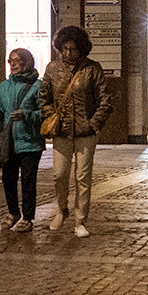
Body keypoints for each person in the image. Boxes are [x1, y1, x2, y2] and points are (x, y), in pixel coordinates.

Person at [39, 24, 112, 237]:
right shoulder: (52, 69)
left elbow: (105, 100)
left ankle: (81, 221)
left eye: (72, 49)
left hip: (85, 133)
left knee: (83, 177)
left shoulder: (92, 69)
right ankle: (62, 210)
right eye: (64, 49)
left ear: (81, 49)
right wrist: (51, 115)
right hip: (61, 132)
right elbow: (44, 96)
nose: (68, 53)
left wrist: (93, 123)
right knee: (59, 175)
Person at [0, 48, 44, 232]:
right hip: (9, 141)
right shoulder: (4, 86)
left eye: (18, 61)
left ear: (27, 62)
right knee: (8, 179)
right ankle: (13, 212)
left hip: (30, 141)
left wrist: (27, 115)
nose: (13, 64)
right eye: (10, 61)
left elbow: (46, 113)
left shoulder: (38, 86)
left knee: (28, 180)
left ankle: (27, 217)